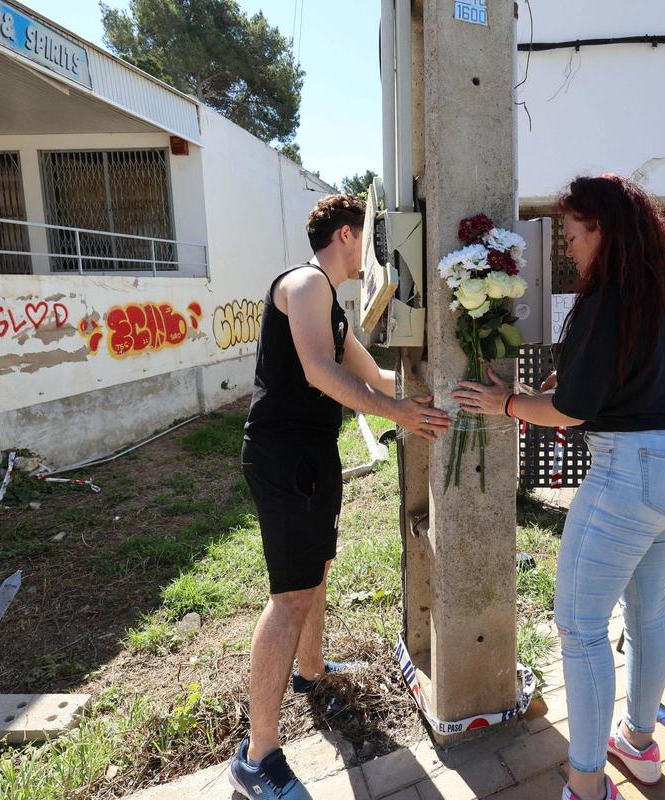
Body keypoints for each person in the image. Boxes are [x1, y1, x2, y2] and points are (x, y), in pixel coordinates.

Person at [454, 175, 665, 800]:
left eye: (571, 234)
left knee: (581, 626)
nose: (567, 248)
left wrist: (506, 402)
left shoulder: (607, 299)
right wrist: (551, 405)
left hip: (633, 469)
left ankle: (588, 784)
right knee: (647, 612)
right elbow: (604, 392)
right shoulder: (653, 293)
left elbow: (570, 406)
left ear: (602, 229)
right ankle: (639, 744)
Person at [228, 195, 451, 800]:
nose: (374, 254)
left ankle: (311, 673)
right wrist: (399, 414)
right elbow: (321, 373)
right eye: (371, 241)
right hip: (284, 457)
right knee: (291, 596)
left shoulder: (330, 304)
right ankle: (256, 756)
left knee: (317, 570)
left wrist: (431, 397)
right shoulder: (305, 284)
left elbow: (372, 374)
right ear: (348, 235)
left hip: (312, 455)